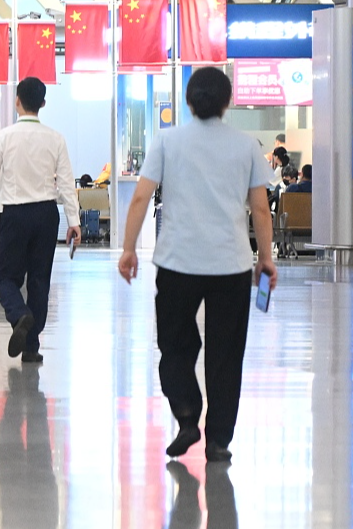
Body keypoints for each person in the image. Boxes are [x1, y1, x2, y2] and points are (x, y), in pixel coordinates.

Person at [118, 67, 276, 463]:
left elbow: (141, 198)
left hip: (178, 262)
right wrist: (266, 259)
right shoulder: (246, 145)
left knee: (174, 344)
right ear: (227, 101)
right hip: (232, 264)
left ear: (189, 101)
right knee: (226, 353)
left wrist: (128, 248)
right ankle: (218, 440)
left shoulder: (167, 140)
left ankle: (187, 413)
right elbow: (260, 207)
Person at [0, 76, 78, 364]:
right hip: (47, 214)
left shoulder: (4, 137)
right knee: (39, 279)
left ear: (17, 101)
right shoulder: (56, 138)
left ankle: (20, 315)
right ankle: (31, 348)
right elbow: (67, 183)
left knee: (7, 277)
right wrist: (74, 221)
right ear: (43, 103)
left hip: (13, 214)